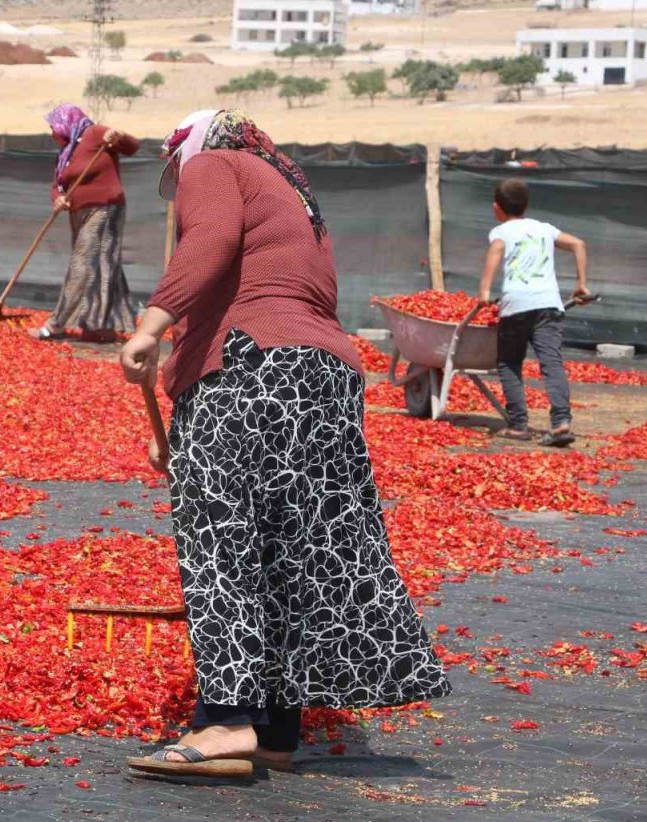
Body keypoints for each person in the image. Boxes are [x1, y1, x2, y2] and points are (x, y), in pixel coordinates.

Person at [120, 109, 451, 779]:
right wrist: (188, 428)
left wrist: (152, 325)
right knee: (289, 543)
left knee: (223, 536)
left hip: (251, 364)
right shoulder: (292, 191)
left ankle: (224, 720)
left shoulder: (214, 164)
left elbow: (209, 240)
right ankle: (274, 725)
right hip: (320, 375)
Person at [477, 178, 591, 447]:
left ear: (496, 208)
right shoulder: (544, 229)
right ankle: (561, 422)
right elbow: (579, 244)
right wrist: (581, 284)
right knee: (552, 363)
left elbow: (496, 250)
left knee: (509, 363)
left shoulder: (501, 232)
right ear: (526, 205)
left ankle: (518, 425)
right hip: (549, 305)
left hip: (516, 306)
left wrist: (483, 290)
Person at [33, 105, 139, 343]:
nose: (52, 133)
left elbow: (132, 146)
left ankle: (57, 323)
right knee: (103, 265)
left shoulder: (94, 133)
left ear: (67, 123)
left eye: (54, 127)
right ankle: (98, 326)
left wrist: (118, 136)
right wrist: (58, 199)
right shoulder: (66, 154)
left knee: (83, 261)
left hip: (105, 208)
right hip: (78, 214)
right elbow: (57, 186)